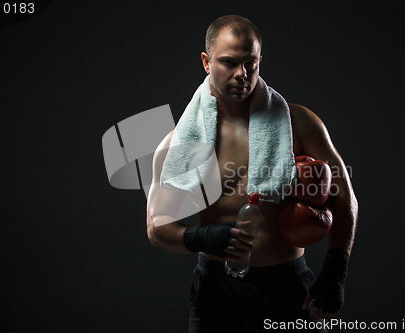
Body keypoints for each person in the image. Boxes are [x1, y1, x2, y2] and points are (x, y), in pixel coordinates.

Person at [146, 15, 358, 332]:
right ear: (206, 62)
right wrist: (200, 237)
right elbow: (156, 227)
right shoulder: (182, 142)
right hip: (216, 292)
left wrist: (337, 268)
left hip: (287, 287)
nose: (241, 74)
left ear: (260, 60)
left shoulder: (298, 124)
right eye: (229, 63)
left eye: (250, 63)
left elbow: (346, 196)